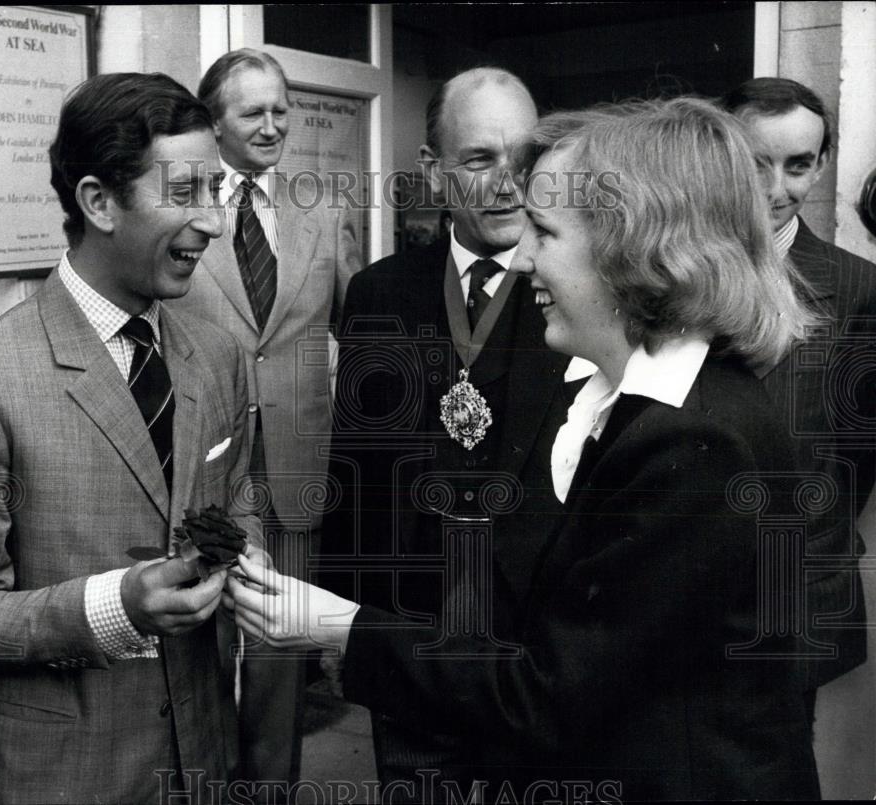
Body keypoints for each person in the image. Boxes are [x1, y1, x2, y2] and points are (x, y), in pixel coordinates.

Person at [230, 98, 823, 801]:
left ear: (633, 249)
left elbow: (551, 692)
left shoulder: (695, 437)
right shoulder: (636, 405)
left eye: (545, 231)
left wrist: (336, 625)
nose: (527, 258)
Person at [0, 72, 263, 803]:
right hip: (59, 777)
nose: (215, 224)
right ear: (99, 201)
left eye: (214, 192)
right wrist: (119, 604)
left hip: (202, 763)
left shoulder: (218, 356)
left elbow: (233, 500)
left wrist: (243, 562)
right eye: (185, 192)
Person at [319, 66, 570, 799]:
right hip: (411, 633)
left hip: (533, 652)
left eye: (522, 158)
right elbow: (355, 474)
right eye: (478, 159)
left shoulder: (584, 290)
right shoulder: (380, 292)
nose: (507, 184)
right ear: (432, 171)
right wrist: (346, 623)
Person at [168, 48, 361, 792]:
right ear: (214, 122)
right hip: (204, 469)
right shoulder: (186, 206)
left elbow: (356, 320)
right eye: (254, 111)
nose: (273, 123)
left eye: (282, 109)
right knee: (204, 647)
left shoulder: (322, 205)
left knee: (283, 645)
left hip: (295, 467)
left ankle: (271, 790)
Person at [722, 77, 875, 708]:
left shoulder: (859, 290)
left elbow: (856, 457)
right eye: (756, 163)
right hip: (669, 583)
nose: (774, 190)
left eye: (798, 167)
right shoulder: (663, 268)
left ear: (823, 164)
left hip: (787, 592)